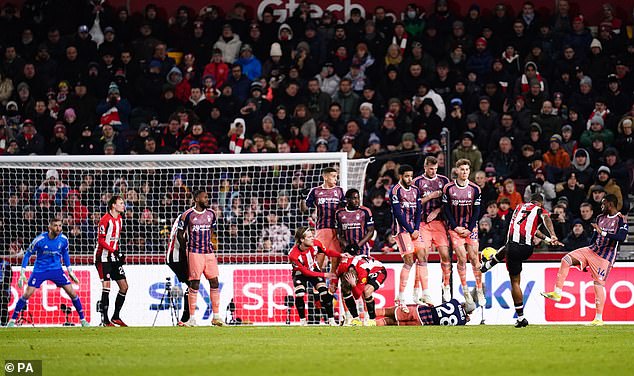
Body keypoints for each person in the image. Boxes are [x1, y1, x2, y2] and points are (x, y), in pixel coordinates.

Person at [542, 194, 628, 326]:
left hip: (605, 256)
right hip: (592, 250)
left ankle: (598, 319)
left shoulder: (621, 219)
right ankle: (557, 293)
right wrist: (587, 259)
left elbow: (621, 237)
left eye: (603, 204)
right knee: (566, 259)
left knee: (598, 284)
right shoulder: (600, 217)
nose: (601, 206)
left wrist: (603, 233)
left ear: (610, 204)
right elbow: (594, 236)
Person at [481, 194, 561, 327]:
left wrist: (550, 235)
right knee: (507, 249)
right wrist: (551, 236)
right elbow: (543, 221)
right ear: (540, 203)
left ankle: (520, 317)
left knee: (515, 282)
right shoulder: (538, 209)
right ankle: (488, 265)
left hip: (513, 248)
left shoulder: (519, 208)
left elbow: (537, 224)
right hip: (528, 249)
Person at [7, 218, 88, 327]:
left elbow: (65, 253)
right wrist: (22, 273)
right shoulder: (40, 240)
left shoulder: (63, 239)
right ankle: (12, 321)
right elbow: (27, 254)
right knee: (27, 294)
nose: (58, 228)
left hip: (57, 270)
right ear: (49, 227)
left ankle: (83, 320)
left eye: (60, 225)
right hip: (40, 270)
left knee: (72, 293)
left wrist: (70, 270)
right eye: (55, 226)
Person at [176, 189, 222, 327]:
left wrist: (209, 243)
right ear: (196, 199)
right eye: (205, 197)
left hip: (208, 252)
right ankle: (192, 318)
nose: (207, 199)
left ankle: (216, 317)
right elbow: (180, 234)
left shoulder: (211, 214)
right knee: (194, 284)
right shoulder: (187, 215)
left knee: (214, 282)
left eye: (208, 197)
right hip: (194, 252)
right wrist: (186, 249)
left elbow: (211, 231)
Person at [443, 159, 484, 306]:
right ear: (457, 171)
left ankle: (479, 290)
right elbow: (446, 209)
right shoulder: (448, 188)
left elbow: (477, 211)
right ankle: (465, 290)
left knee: (474, 258)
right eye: (462, 170)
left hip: (470, 227)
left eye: (467, 170)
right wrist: (455, 227)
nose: (465, 172)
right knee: (461, 258)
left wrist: (470, 228)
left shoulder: (475, 189)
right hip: (455, 228)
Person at [288, 227, 346, 326]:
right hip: (300, 273)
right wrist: (324, 274)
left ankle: (331, 320)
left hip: (314, 269)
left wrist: (340, 254)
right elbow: (306, 272)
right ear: (302, 239)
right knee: (299, 293)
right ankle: (303, 321)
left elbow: (327, 252)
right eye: (309, 237)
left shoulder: (316, 243)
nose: (312, 238)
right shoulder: (293, 255)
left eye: (312, 236)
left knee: (324, 292)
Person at [412, 156, 451, 303]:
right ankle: (419, 289)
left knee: (445, 255)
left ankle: (446, 285)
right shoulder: (417, 182)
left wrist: (437, 211)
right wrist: (430, 197)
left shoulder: (444, 181)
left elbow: (448, 203)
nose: (433, 171)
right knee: (422, 256)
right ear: (425, 167)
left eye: (435, 169)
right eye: (430, 169)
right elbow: (414, 204)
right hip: (422, 223)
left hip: (438, 223)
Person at [302, 167, 345, 289]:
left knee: (336, 259)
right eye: (333, 176)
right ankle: (317, 290)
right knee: (319, 259)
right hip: (321, 229)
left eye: (336, 176)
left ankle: (332, 286)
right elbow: (304, 209)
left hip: (337, 229)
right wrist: (302, 199)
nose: (335, 179)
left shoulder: (340, 191)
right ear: (325, 177)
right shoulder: (315, 191)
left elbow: (345, 209)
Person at [389, 164, 423, 309]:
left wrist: (416, 228)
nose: (410, 179)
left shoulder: (416, 190)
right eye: (407, 176)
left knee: (422, 258)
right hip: (401, 230)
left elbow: (419, 211)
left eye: (411, 176)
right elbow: (398, 213)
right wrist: (410, 230)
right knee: (409, 260)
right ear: (400, 176)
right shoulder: (395, 191)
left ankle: (417, 295)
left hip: (414, 229)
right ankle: (401, 297)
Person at [94, 195, 128, 327]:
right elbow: (101, 240)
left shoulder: (119, 219)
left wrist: (118, 252)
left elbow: (115, 239)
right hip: (102, 257)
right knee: (107, 286)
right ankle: (105, 320)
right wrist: (114, 251)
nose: (123, 205)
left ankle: (116, 317)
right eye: (121, 203)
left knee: (124, 286)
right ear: (113, 205)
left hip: (113, 256)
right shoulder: (105, 220)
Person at [337, 253, 387, 326]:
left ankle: (372, 319)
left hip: (378, 271)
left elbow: (357, 296)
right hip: (361, 266)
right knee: (345, 290)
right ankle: (356, 319)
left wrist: (354, 285)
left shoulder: (361, 273)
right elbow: (336, 277)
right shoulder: (342, 267)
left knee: (367, 291)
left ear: (356, 278)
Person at [166, 211, 191, 325]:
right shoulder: (189, 217)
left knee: (192, 284)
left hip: (173, 257)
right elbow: (181, 237)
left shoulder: (181, 216)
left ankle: (186, 318)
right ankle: (185, 319)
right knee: (192, 284)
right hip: (177, 258)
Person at [374, 299, 474, 326]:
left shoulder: (455, 302)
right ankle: (369, 325)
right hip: (422, 323)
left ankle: (363, 317)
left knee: (386, 311)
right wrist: (465, 318)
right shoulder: (462, 322)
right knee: (389, 322)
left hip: (421, 311)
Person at [335, 189, 375, 256]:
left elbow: (371, 231)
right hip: (346, 250)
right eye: (354, 198)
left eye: (358, 198)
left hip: (362, 250)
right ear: (347, 199)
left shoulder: (365, 211)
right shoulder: (339, 213)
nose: (357, 201)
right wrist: (347, 246)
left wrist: (357, 246)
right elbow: (338, 234)